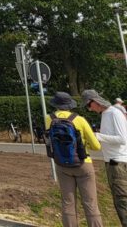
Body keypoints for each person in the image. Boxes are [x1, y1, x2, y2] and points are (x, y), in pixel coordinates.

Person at [47, 91, 103, 227]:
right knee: (90, 203)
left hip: (61, 165)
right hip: (83, 164)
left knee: (68, 203)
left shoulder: (49, 119)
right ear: (70, 105)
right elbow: (96, 146)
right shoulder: (79, 120)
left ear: (56, 105)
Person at [84, 89, 127, 226]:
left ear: (95, 102)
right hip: (113, 161)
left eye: (88, 106)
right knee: (120, 199)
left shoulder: (114, 113)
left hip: (117, 161)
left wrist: (98, 136)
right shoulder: (106, 114)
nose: (89, 110)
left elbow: (122, 138)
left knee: (122, 200)